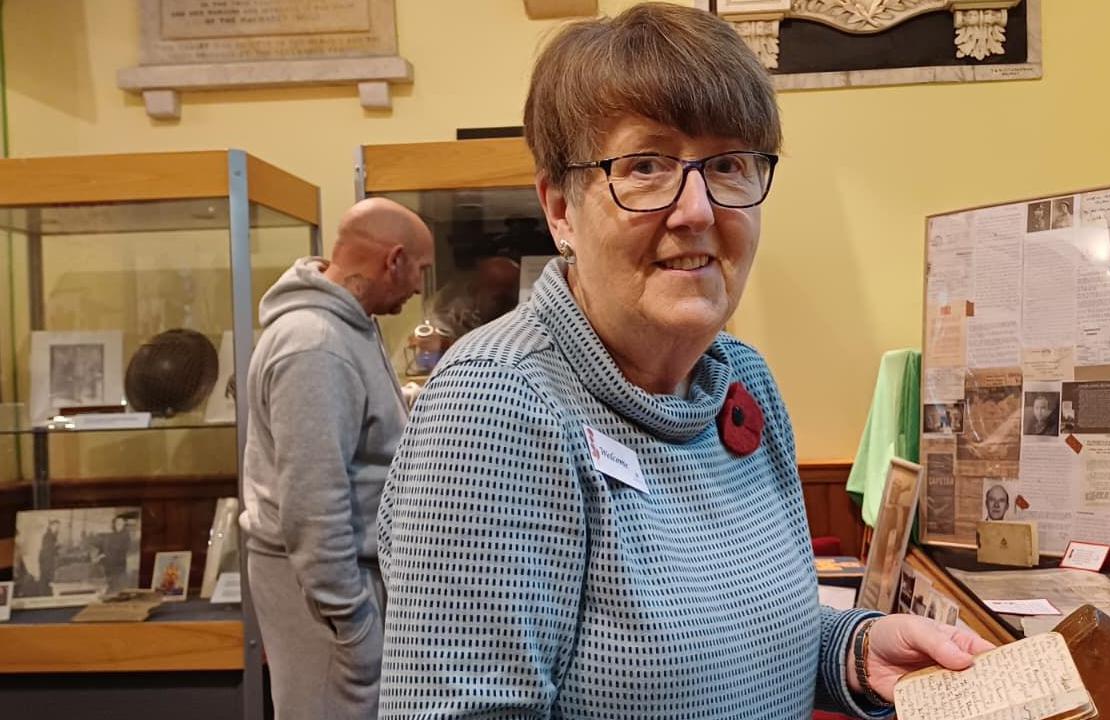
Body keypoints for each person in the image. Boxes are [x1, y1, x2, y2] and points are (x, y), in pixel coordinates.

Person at [376, 6, 992, 719]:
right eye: (646, 166)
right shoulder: (498, 404)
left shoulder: (742, 379)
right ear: (560, 208)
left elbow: (736, 643)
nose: (696, 210)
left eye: (727, 165)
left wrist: (854, 651)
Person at [240, 197, 434, 720]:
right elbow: (312, 503)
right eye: (419, 269)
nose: (419, 287)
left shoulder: (348, 326)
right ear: (394, 260)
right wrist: (352, 624)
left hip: (345, 586)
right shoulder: (315, 345)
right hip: (329, 597)